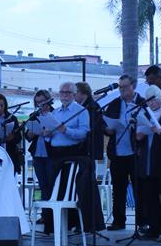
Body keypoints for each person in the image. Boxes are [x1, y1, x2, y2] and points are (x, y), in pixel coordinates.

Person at [42, 81, 93, 234]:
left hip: (72, 156)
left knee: (70, 194)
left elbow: (83, 133)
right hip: (55, 156)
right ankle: (55, 227)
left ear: (74, 94)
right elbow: (48, 136)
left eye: (68, 93)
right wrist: (47, 135)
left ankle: (74, 225)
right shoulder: (55, 113)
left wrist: (65, 130)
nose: (64, 95)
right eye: (62, 92)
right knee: (53, 192)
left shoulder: (81, 111)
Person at [135, 85, 161, 242]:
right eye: (148, 101)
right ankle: (153, 228)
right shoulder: (143, 115)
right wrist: (140, 134)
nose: (151, 104)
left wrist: (159, 131)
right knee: (150, 196)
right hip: (147, 161)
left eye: (154, 100)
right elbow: (138, 137)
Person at [101, 74, 140, 231]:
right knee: (118, 189)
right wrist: (108, 129)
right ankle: (119, 221)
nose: (122, 90)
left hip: (135, 153)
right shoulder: (115, 104)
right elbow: (106, 125)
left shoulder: (141, 102)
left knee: (139, 188)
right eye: (120, 87)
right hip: (117, 152)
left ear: (133, 86)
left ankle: (142, 221)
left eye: (125, 87)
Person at [24, 90, 55, 202]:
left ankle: (51, 215)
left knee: (52, 184)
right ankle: (45, 216)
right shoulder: (34, 116)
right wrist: (30, 133)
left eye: (42, 101)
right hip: (38, 154)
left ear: (48, 101)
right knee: (42, 185)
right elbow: (27, 135)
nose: (40, 104)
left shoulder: (56, 114)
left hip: (51, 154)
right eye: (37, 102)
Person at [75, 81, 105, 161]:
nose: (74, 95)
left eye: (76, 92)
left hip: (89, 147)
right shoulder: (83, 106)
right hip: (84, 148)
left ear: (83, 93)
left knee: (86, 171)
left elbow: (91, 127)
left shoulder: (92, 107)